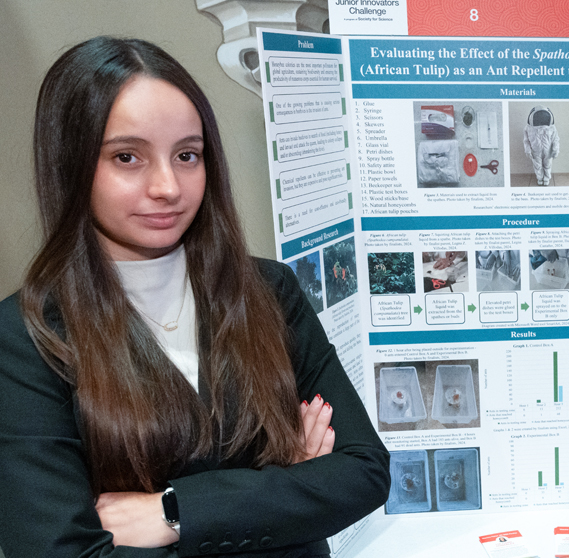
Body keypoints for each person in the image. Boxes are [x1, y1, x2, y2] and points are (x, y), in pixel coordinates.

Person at [0, 37, 390, 557]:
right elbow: (60, 551)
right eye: (127, 157)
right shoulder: (25, 338)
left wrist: (172, 511)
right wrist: (285, 492)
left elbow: (363, 472)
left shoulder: (269, 292)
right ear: (70, 164)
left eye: (187, 155)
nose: (167, 186)